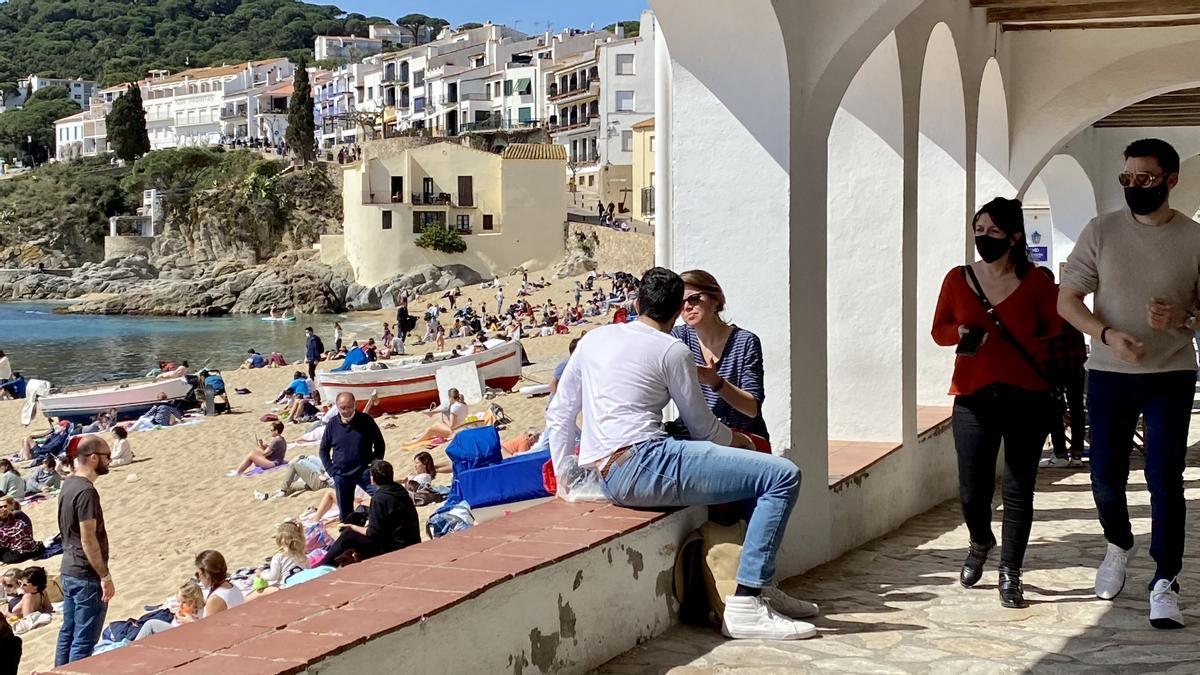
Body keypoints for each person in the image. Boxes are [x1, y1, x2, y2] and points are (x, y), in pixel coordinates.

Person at [545, 267, 817, 640]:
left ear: (636, 303)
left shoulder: (594, 339)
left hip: (610, 472)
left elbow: (559, 411)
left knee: (757, 478)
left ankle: (758, 588)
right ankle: (746, 602)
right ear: (675, 314)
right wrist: (743, 442)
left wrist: (566, 476)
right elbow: (704, 428)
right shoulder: (673, 348)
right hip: (648, 462)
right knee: (782, 475)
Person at [1058, 138, 1200, 629]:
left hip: (1171, 373)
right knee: (1104, 475)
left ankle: (1166, 579)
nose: (1134, 187)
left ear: (1171, 180)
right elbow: (1068, 299)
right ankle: (1118, 542)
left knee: (1165, 479)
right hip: (1109, 372)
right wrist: (1105, 333)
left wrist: (1185, 316)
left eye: (1145, 179)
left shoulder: (1194, 238)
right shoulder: (1101, 231)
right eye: (1127, 179)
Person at [931, 197, 1060, 609]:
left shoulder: (1037, 282)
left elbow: (1054, 328)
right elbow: (939, 331)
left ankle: (1011, 572)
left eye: (993, 232)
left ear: (1015, 237)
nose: (984, 238)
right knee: (973, 490)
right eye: (979, 231)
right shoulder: (958, 279)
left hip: (1026, 396)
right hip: (973, 396)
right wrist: (960, 331)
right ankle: (979, 540)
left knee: (1020, 490)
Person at [670, 271, 769, 441]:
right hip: (695, 437)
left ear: (716, 300)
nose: (687, 307)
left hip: (740, 436)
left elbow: (751, 408)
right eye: (681, 303)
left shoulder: (745, 342)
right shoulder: (678, 338)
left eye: (694, 299)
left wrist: (715, 382)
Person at [55, 435, 114, 666]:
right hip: (85, 574)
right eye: (106, 456)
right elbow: (88, 539)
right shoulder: (86, 491)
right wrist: (104, 575)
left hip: (69, 570)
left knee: (67, 634)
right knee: (83, 641)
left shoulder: (68, 483)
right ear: (92, 458)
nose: (109, 461)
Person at [318, 460, 420, 567]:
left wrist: (352, 527)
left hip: (395, 549)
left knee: (348, 536)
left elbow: (373, 533)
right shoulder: (399, 489)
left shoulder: (379, 498)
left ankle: (324, 566)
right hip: (411, 541)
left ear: (373, 478)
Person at [1038, 267, 1088, 469]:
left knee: (1054, 410)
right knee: (1077, 408)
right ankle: (1077, 454)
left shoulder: (1042, 303)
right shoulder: (1068, 298)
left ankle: (1060, 453)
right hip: (1075, 362)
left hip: (1053, 364)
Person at [136, 551, 243, 641]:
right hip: (233, 634)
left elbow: (207, 634)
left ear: (206, 574)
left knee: (151, 625)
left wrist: (191, 622)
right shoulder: (232, 587)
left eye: (198, 574)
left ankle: (128, 651)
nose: (198, 578)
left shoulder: (215, 599)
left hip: (207, 640)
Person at [320, 392, 386, 523]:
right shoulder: (332, 424)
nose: (345, 411)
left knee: (382, 497)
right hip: (341, 474)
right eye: (342, 408)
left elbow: (379, 444)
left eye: (349, 407)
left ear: (355, 405)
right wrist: (332, 471)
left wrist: (374, 467)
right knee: (345, 515)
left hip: (364, 471)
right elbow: (323, 450)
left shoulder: (366, 420)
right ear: (337, 407)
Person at [132, 580, 204, 640]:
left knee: (150, 624)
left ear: (194, 600)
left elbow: (203, 630)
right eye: (179, 602)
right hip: (175, 630)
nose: (181, 605)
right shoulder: (189, 609)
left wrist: (192, 622)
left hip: (181, 636)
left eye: (184, 602)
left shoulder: (203, 611)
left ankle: (131, 647)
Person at [401, 389, 468, 452]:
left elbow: (451, 426)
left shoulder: (454, 407)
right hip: (460, 429)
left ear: (450, 397)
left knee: (431, 429)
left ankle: (414, 442)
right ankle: (417, 439)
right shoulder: (464, 404)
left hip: (454, 432)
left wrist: (445, 419)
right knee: (436, 425)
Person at [255, 521, 308, 589]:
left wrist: (260, 574)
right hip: (305, 582)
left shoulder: (278, 557)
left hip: (288, 587)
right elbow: (308, 569)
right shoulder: (302, 554)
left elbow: (273, 576)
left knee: (263, 591)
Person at [0, 497, 43, 563]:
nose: (3, 508)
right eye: (0, 507)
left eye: (5, 506)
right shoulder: (19, 521)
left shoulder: (17, 514)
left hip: (20, 552)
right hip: (31, 549)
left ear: (12, 505)